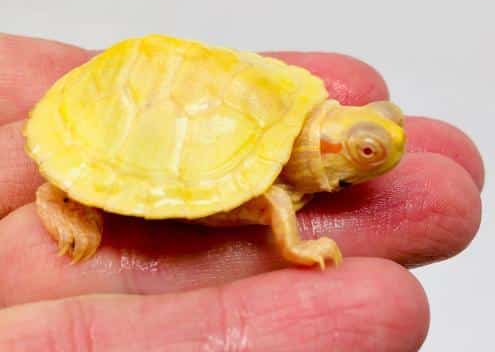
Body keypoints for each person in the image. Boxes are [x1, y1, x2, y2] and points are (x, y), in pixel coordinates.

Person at [0, 34, 484, 351]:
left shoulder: (295, 100)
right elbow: (272, 199)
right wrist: (296, 247)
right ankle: (59, 196)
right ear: (333, 149)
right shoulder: (275, 189)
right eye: (367, 150)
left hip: (145, 65)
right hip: (121, 102)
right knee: (70, 193)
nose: (382, 151)